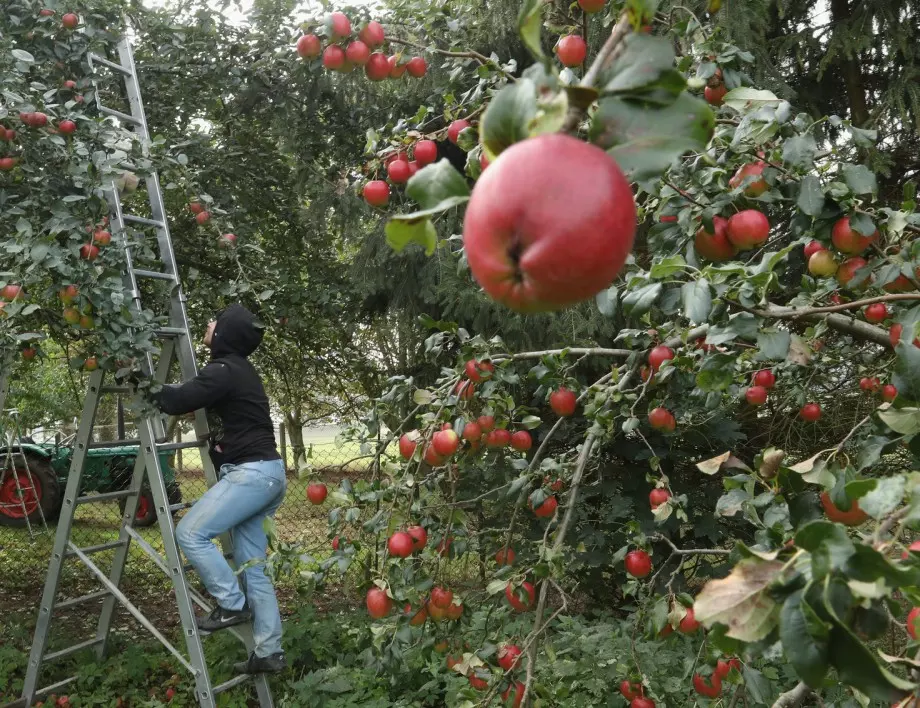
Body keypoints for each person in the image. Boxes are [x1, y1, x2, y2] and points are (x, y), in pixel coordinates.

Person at [150, 303, 287, 675]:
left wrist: (143, 381)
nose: (209, 324)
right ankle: (269, 651)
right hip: (270, 473)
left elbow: (178, 400)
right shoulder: (240, 369)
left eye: (216, 321)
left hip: (252, 474)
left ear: (225, 334)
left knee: (190, 532)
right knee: (254, 570)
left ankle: (231, 603)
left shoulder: (224, 370)